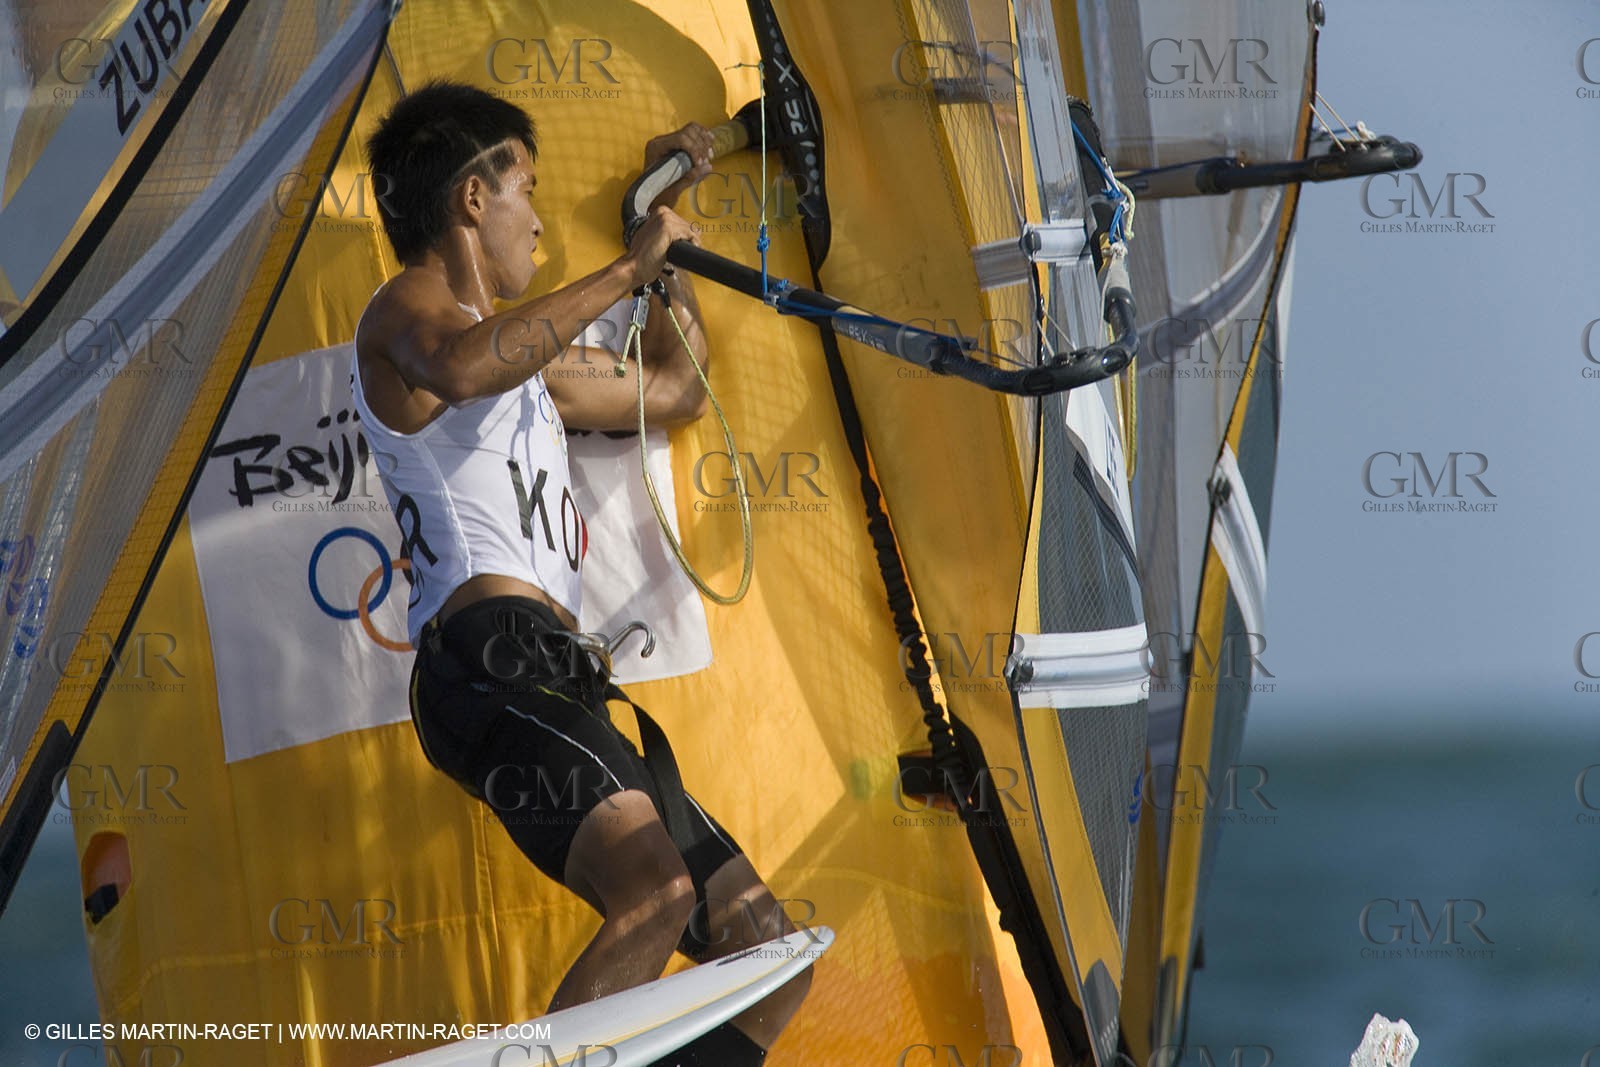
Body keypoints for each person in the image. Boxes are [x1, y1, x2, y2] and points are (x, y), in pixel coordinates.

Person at [351, 81, 807, 1066]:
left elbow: (674, 388)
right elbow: (464, 367)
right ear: (473, 199)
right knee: (654, 892)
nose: (540, 218)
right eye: (528, 189)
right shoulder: (407, 315)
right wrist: (617, 268)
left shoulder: (527, 357)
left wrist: (656, 254)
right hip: (484, 664)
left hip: (559, 670)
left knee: (766, 947)